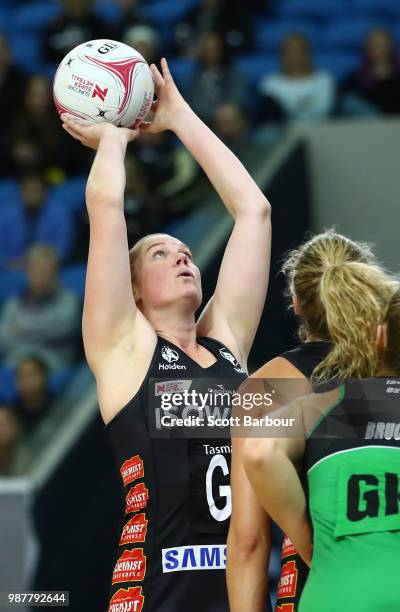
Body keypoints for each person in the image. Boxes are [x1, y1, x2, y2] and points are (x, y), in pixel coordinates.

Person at [61, 58, 271, 611]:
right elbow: (105, 205)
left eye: (185, 253)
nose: (182, 258)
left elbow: (253, 211)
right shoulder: (124, 349)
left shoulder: (227, 343)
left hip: (242, 590)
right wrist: (113, 138)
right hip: (158, 592)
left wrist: (179, 117)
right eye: (160, 253)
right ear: (131, 289)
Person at [227, 231, 395, 611]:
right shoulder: (389, 371)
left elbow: (249, 541)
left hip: (317, 591)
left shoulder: (269, 386)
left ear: (298, 304)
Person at [0, 244, 80, 370]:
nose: (39, 277)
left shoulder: (69, 301)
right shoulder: (14, 302)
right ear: (27, 273)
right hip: (17, 362)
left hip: (53, 363)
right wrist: (43, 328)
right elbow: (4, 337)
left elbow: (63, 329)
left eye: (45, 271)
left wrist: (22, 328)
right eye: (34, 270)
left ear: (55, 274)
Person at [0, 172, 75, 268]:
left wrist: (38, 265)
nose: (31, 195)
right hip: (11, 268)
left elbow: (62, 249)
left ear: (45, 193)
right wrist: (9, 263)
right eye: (27, 191)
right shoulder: (6, 216)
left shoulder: (59, 215)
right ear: (20, 193)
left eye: (35, 190)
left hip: (48, 268)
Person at [259, 34, 336, 122]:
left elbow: (323, 111)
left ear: (309, 54)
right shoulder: (269, 83)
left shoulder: (324, 79)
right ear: (280, 56)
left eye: (299, 52)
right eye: (289, 52)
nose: (294, 57)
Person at [182, 31, 249, 125]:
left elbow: (237, 100)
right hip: (198, 121)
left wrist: (227, 110)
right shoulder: (193, 76)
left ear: (222, 49)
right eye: (207, 48)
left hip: (224, 120)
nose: (211, 52)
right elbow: (186, 101)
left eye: (214, 48)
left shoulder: (234, 73)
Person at [341, 27, 400, 116]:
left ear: (391, 47)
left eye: (381, 45)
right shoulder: (356, 78)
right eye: (373, 45)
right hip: (369, 124)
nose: (378, 50)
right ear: (366, 49)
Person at [41, 0, 108, 65]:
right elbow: (45, 58)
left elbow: (107, 54)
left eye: (80, 2)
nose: (76, 4)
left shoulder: (98, 24)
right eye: (72, 2)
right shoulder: (54, 25)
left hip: (92, 68)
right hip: (59, 69)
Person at [14, 356, 54, 434]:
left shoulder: (61, 400)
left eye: (30, 375)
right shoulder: (14, 416)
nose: (26, 380)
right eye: (21, 376)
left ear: (44, 376)